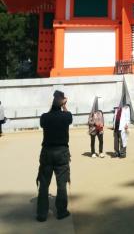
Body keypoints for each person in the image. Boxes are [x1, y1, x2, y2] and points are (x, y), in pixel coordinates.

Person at [36, 90, 72, 222]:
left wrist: (57, 104)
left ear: (52, 102)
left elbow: (46, 119)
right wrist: (64, 106)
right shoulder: (66, 116)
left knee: (44, 184)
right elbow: (68, 116)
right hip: (62, 152)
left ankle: (42, 214)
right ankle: (61, 211)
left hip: (47, 152)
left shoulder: (44, 117)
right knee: (61, 184)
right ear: (62, 102)